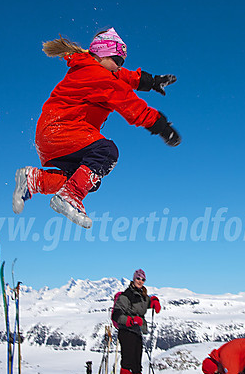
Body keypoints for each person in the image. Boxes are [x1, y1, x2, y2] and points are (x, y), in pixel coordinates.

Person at [12, 28, 181, 229]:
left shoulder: (93, 68)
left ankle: (34, 180)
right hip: (62, 130)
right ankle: (70, 197)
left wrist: (150, 81)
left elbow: (122, 77)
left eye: (122, 63)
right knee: (106, 151)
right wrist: (161, 126)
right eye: (117, 61)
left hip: (53, 134)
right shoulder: (98, 76)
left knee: (87, 179)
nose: (119, 67)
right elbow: (129, 104)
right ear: (101, 54)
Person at [111, 268, 161, 374]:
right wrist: (131, 321)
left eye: (143, 279)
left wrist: (154, 300)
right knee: (127, 361)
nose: (140, 281)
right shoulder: (126, 295)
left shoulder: (142, 295)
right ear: (134, 279)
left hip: (137, 331)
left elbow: (145, 303)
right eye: (138, 278)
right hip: (126, 331)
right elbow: (116, 316)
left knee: (137, 363)